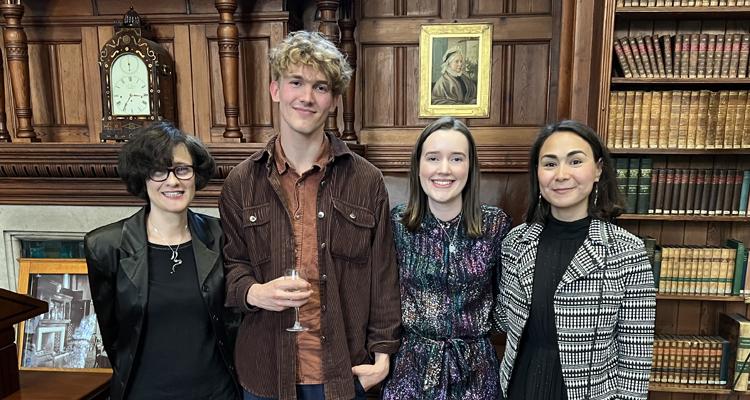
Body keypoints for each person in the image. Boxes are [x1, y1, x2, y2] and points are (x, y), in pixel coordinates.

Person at [219, 30, 401, 400]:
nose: (306, 97)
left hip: (343, 375)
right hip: (265, 373)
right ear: (275, 90)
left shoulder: (367, 181)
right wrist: (255, 292)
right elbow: (229, 267)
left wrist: (383, 359)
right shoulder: (241, 182)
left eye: (320, 87)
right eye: (296, 82)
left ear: (334, 100)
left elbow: (383, 275)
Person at [496, 120, 655, 400]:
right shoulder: (515, 242)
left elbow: (636, 355)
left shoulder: (627, 250)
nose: (561, 174)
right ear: (537, 173)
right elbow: (502, 320)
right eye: (549, 163)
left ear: (598, 170)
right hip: (521, 383)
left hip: (588, 392)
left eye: (575, 161)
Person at [84, 122, 240, 400]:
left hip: (218, 393)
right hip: (144, 393)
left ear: (195, 175)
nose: (173, 181)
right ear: (142, 177)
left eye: (182, 169)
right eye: (159, 171)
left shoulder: (223, 236)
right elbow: (113, 335)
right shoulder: (105, 246)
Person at [381, 117, 511, 400]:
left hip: (476, 370)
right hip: (412, 369)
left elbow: (507, 303)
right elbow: (380, 298)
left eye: (456, 158)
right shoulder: (398, 224)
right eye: (433, 158)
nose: (444, 169)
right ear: (418, 166)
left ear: (470, 167)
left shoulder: (495, 225)